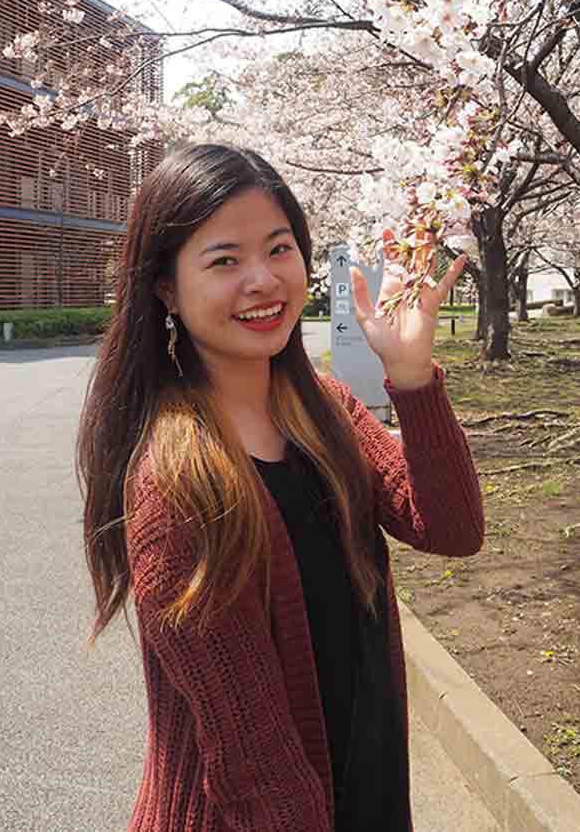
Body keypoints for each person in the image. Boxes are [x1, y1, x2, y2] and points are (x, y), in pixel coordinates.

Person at [77, 143, 484, 832]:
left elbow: (450, 528)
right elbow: (253, 763)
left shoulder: (324, 408)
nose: (263, 280)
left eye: (279, 248)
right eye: (225, 260)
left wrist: (414, 377)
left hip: (361, 793)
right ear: (166, 288)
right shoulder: (180, 487)